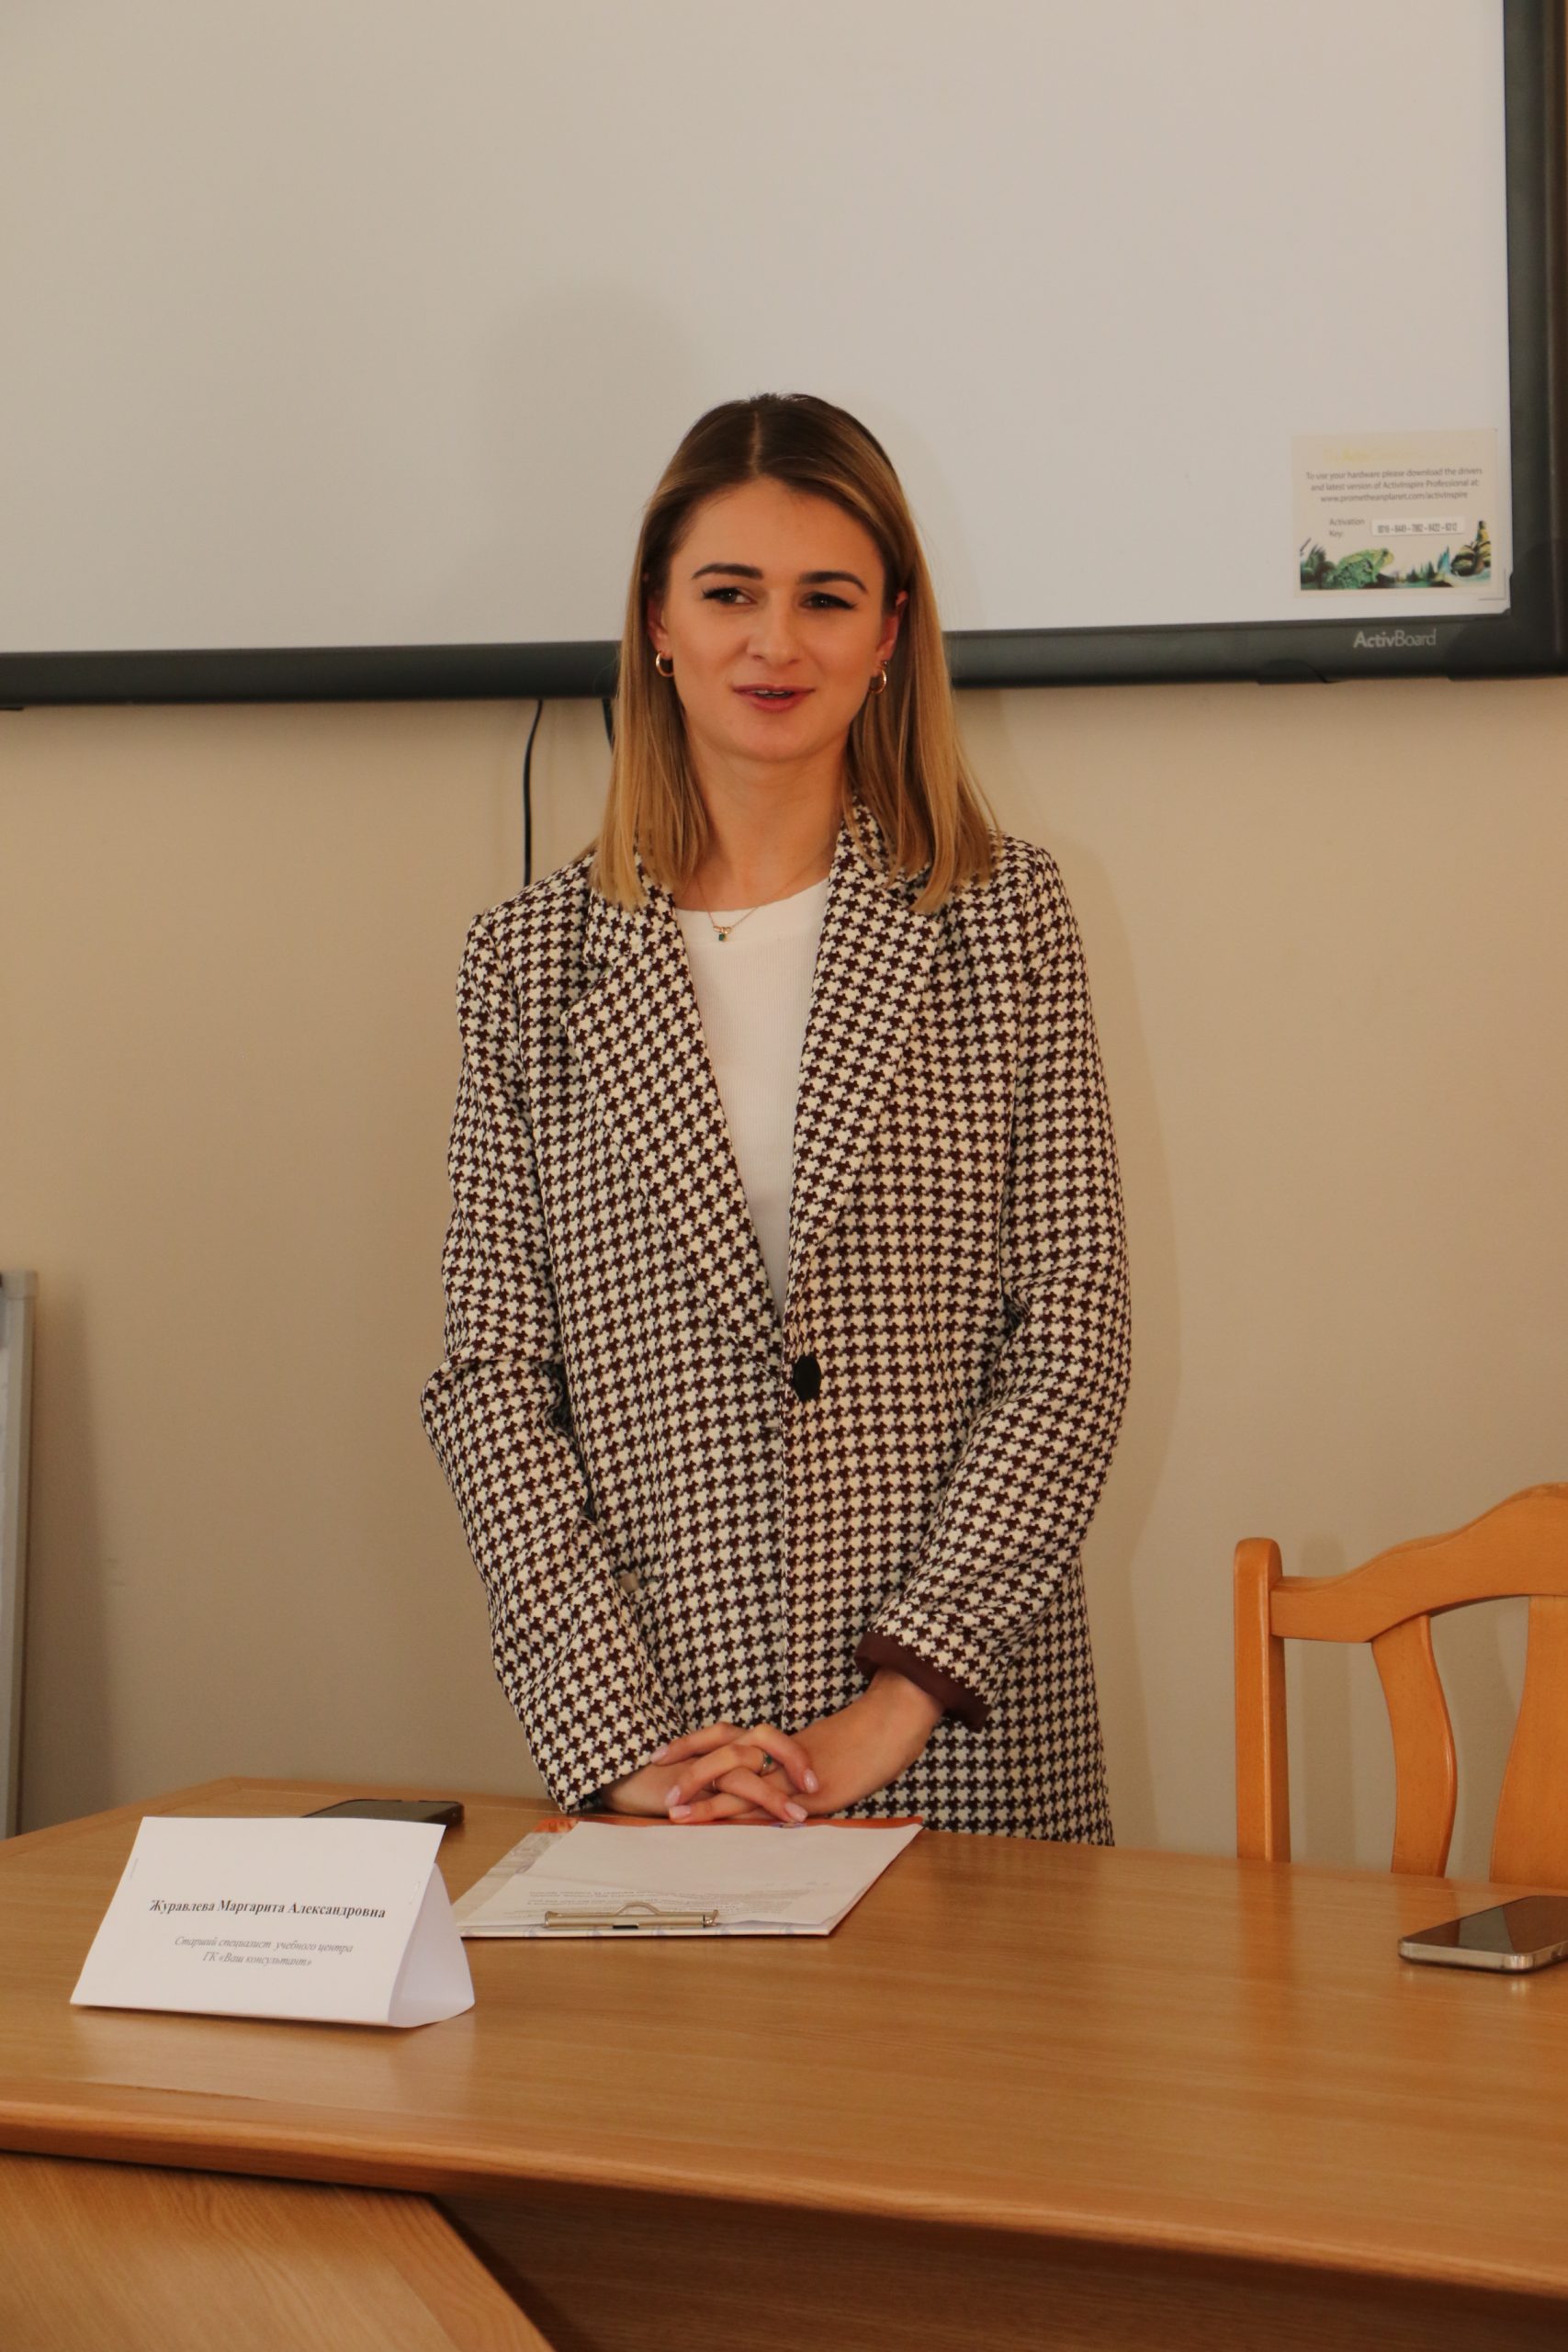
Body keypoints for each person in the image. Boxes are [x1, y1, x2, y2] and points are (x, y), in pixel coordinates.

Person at [422, 393, 1129, 1838]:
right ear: (658, 620)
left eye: (827, 599)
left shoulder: (1005, 919)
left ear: (890, 635)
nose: (775, 643)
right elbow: (492, 1377)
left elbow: (1072, 1334)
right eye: (730, 593)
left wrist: (895, 1703)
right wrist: (622, 1739)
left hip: (958, 1746)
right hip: (674, 1754)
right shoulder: (528, 961)